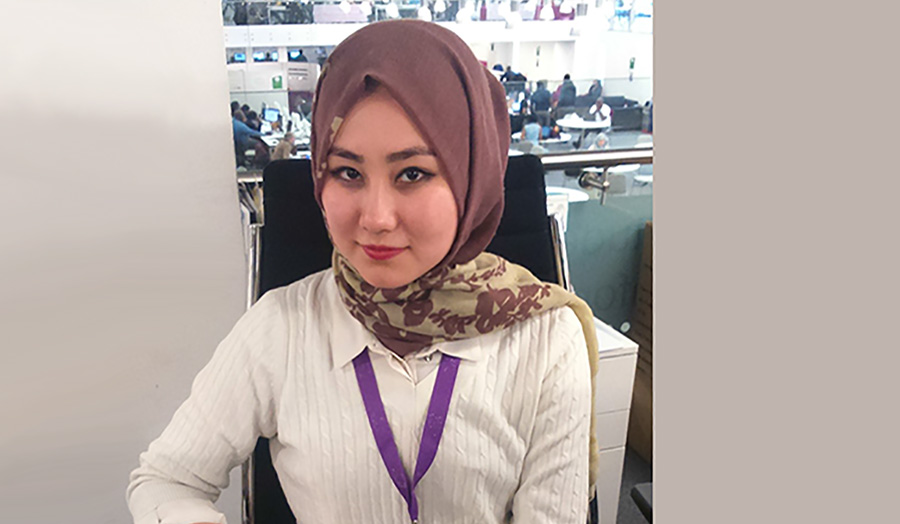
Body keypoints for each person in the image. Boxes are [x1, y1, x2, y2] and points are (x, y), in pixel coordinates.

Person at [127, 20, 600, 524]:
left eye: (412, 174)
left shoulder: (546, 339)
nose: (375, 217)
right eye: (348, 172)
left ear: (471, 178)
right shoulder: (280, 328)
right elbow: (165, 479)